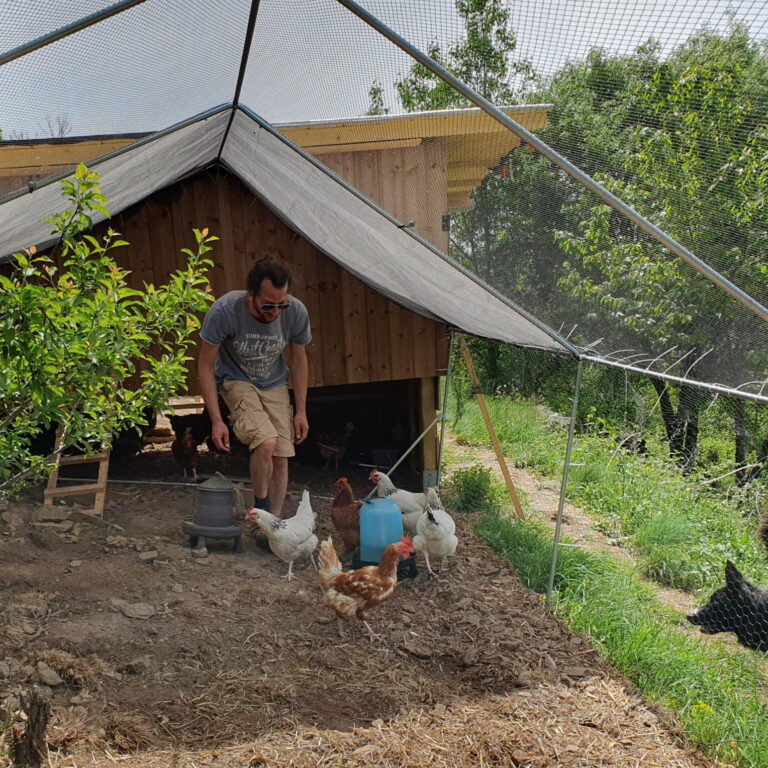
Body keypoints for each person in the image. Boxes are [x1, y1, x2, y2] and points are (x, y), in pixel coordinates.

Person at [198, 259, 310, 517]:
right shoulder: (225, 311)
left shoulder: (295, 311)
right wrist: (216, 420)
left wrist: (301, 411)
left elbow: (299, 359)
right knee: (266, 443)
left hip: (275, 382)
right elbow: (205, 366)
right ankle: (260, 509)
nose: (276, 312)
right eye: (268, 305)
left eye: (281, 304)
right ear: (252, 294)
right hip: (236, 379)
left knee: (282, 455)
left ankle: (274, 525)